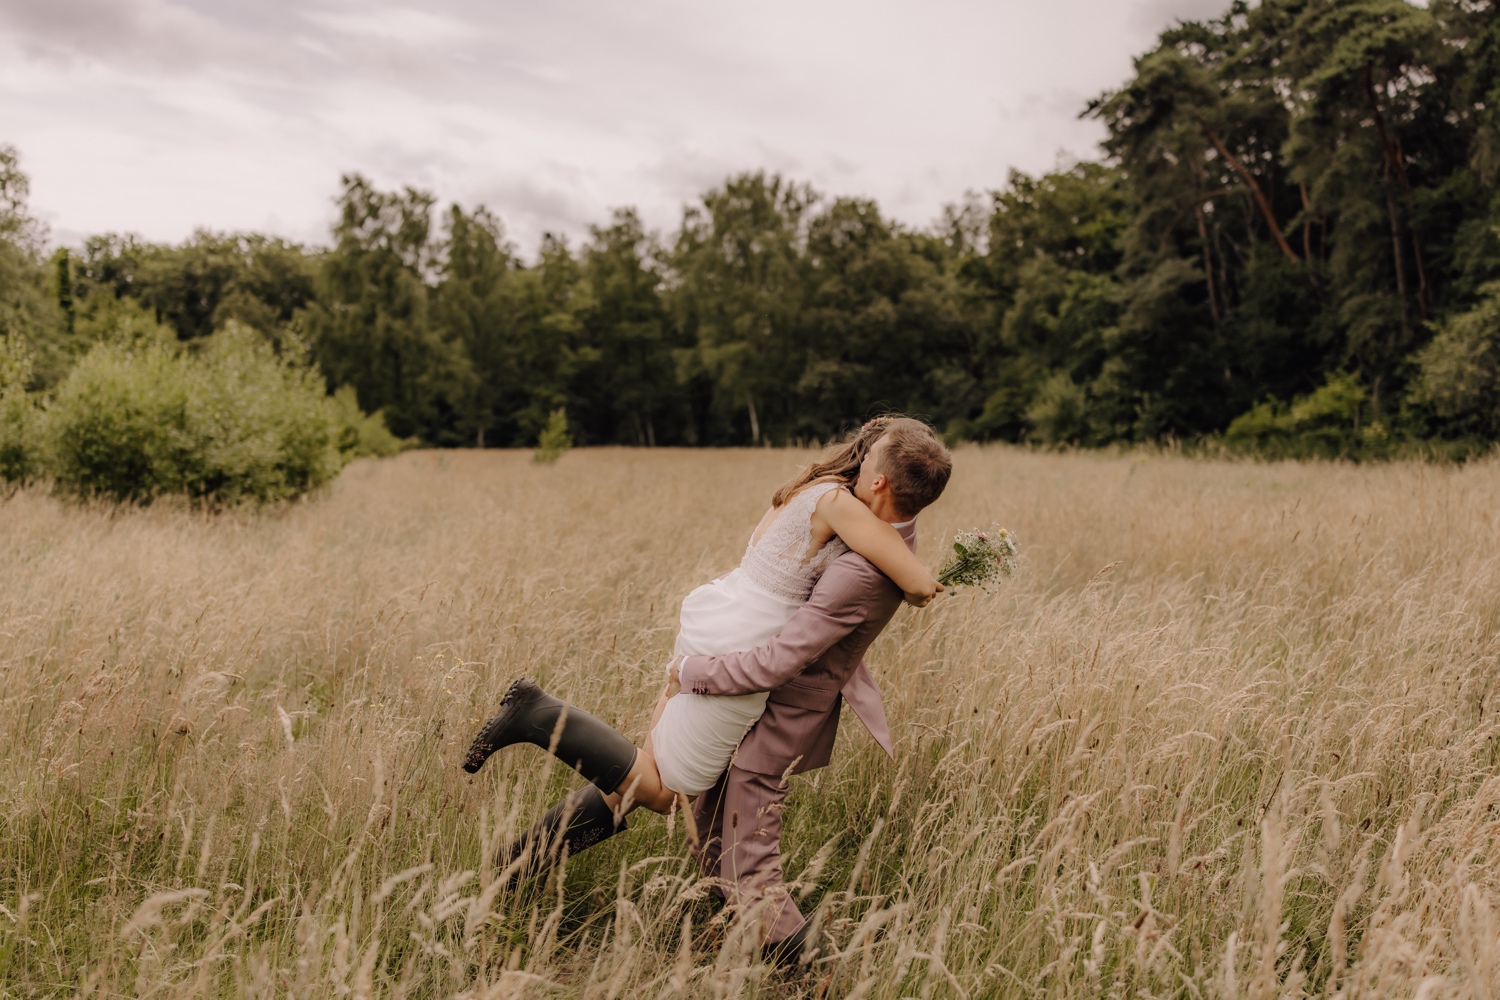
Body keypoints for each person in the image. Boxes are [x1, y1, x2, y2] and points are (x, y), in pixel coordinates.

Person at [462, 416, 953, 966]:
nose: (862, 458)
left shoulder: (825, 491)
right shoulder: (842, 508)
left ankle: (508, 871)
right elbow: (910, 580)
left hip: (720, 614)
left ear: (881, 479)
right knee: (660, 788)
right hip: (737, 644)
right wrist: (934, 581)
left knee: (642, 777)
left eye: (872, 454)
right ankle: (538, 716)